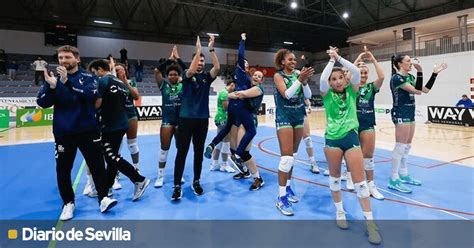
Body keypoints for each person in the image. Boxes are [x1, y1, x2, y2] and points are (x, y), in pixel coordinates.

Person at [36, 45, 117, 221]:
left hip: (88, 130)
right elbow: (42, 103)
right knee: (63, 170)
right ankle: (68, 203)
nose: (64, 61)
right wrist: (51, 87)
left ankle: (103, 198)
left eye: (67, 57)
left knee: (97, 166)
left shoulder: (89, 77)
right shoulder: (53, 78)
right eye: (61, 58)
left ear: (77, 59)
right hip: (64, 132)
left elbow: (90, 96)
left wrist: (67, 83)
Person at [320, 47, 381, 244]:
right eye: (333, 79)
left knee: (360, 184)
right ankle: (340, 213)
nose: (337, 81)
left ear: (345, 80)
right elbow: (322, 80)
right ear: (330, 82)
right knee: (335, 180)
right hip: (332, 141)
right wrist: (330, 63)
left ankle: (370, 224)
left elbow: (355, 72)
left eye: (340, 78)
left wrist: (338, 57)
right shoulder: (326, 94)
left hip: (351, 138)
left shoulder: (353, 90)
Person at [88, 58, 150, 201]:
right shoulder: (121, 83)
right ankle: (107, 187)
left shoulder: (104, 81)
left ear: (100, 69)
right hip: (121, 124)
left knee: (110, 156)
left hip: (111, 126)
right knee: (112, 157)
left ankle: (139, 179)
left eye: (95, 72)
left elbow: (97, 104)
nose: (95, 76)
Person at [389, 55, 447, 193]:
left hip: (410, 113)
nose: (411, 63)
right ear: (400, 64)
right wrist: (420, 71)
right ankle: (394, 178)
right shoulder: (397, 78)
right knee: (400, 146)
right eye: (408, 61)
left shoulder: (410, 77)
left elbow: (424, 90)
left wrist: (434, 74)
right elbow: (416, 92)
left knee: (407, 146)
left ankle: (403, 174)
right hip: (401, 113)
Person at [171, 35, 220, 200]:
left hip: (202, 120)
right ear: (193, 61)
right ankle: (177, 185)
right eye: (198, 60)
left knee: (198, 152)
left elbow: (217, 68)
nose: (200, 62)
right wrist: (198, 50)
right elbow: (190, 70)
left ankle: (196, 181)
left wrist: (211, 48)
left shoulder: (206, 78)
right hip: (185, 119)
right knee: (182, 152)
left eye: (202, 60)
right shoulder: (186, 74)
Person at [204, 33, 257, 177]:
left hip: (235, 105)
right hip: (240, 104)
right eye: (245, 63)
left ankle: (213, 144)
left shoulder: (242, 78)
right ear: (241, 65)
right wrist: (243, 40)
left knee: (227, 128)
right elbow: (240, 54)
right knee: (251, 131)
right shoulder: (241, 72)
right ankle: (238, 155)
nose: (246, 64)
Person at [273, 48, 314, 216]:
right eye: (289, 59)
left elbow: (308, 95)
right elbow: (287, 94)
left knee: (293, 158)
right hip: (284, 118)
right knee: (286, 158)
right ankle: (281, 198)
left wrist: (304, 82)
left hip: (298, 117)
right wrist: (300, 79)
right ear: (282, 62)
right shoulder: (278, 76)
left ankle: (288, 187)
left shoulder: (298, 73)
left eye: (294, 59)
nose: (293, 61)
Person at [352, 47, 385, 200]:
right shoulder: (351, 86)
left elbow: (382, 77)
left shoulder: (372, 87)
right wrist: (358, 58)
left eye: (365, 72)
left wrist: (372, 59)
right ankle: (353, 179)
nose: (363, 74)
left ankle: (371, 186)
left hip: (367, 124)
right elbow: (347, 73)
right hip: (352, 125)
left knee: (368, 156)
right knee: (353, 155)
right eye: (360, 72)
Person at [227, 70, 266, 190]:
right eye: (255, 75)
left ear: (261, 80)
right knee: (233, 149)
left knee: (243, 152)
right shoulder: (247, 85)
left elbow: (242, 94)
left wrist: (227, 94)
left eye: (259, 76)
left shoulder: (259, 89)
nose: (256, 77)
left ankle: (258, 178)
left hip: (249, 121)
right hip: (239, 119)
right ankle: (245, 171)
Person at [154, 45, 186, 188]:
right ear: (167, 76)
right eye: (170, 74)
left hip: (180, 122)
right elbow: (156, 71)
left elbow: (186, 71)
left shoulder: (183, 85)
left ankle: (180, 174)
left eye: (175, 74)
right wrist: (169, 60)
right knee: (164, 149)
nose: (173, 76)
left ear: (178, 76)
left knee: (181, 149)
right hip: (167, 122)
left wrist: (178, 59)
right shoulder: (163, 86)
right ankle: (160, 176)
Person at [210, 79, 236, 173]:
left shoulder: (224, 93)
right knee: (226, 142)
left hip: (221, 119)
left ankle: (215, 163)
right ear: (232, 85)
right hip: (223, 119)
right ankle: (224, 165)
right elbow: (226, 107)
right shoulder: (224, 93)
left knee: (219, 142)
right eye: (234, 87)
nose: (234, 89)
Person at [303, 98, 320, 174]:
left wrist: (309, 105)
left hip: (301, 111)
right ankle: (289, 163)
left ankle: (313, 163)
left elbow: (305, 97)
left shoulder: (300, 85)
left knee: (308, 139)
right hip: (288, 113)